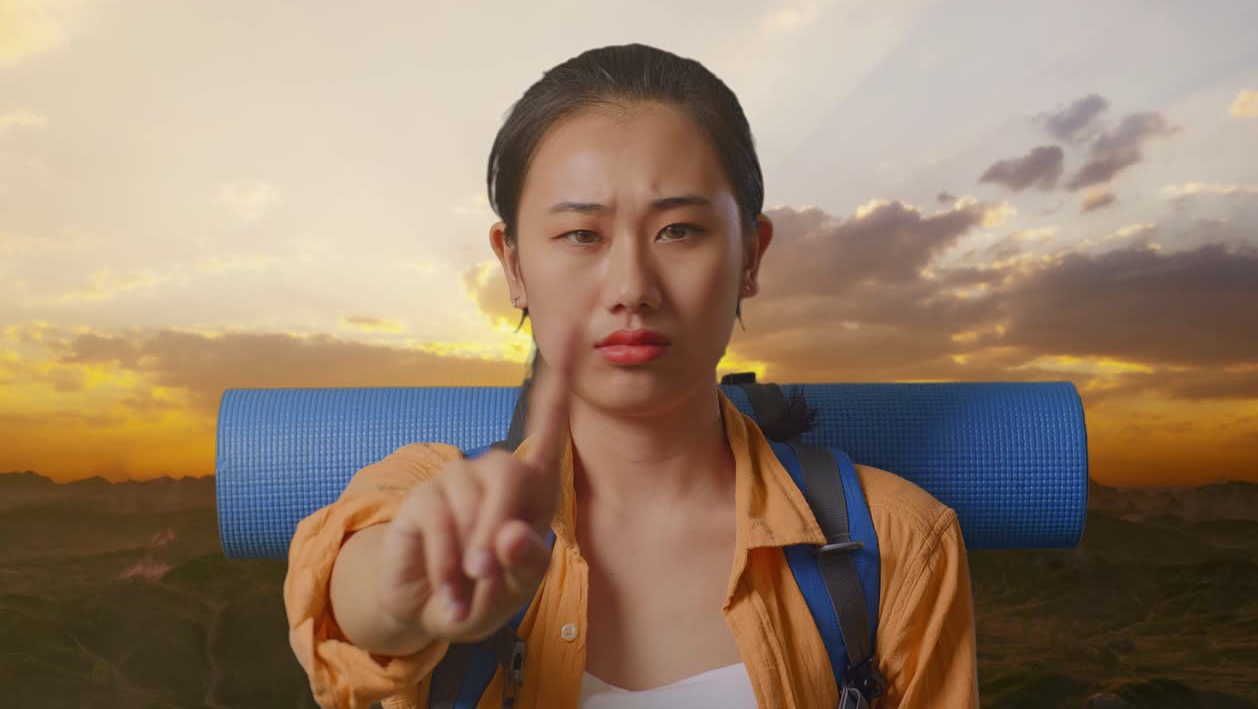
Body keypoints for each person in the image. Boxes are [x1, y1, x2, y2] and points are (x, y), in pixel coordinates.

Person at [283, 43, 979, 709]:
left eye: (678, 230)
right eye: (582, 235)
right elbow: (356, 586)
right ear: (514, 265)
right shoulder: (429, 496)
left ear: (750, 256)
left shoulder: (899, 543)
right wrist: (406, 595)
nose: (630, 288)